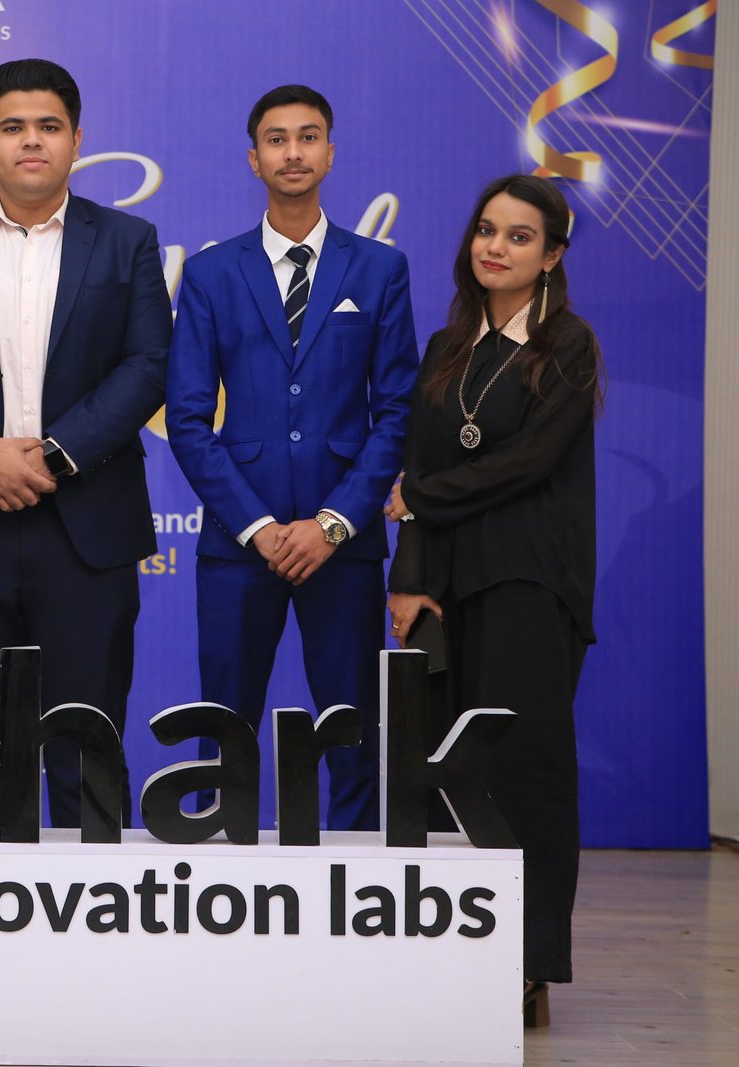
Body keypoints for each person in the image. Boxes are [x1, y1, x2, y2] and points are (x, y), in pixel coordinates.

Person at [0, 58, 173, 827]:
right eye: (13, 127)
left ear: (77, 140)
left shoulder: (127, 240)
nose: (32, 141)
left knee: (85, 747)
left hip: (85, 524)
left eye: (49, 126)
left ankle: (98, 905)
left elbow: (149, 362)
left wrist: (53, 453)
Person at [165, 84, 417, 831]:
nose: (293, 152)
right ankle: (218, 865)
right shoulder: (212, 273)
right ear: (254, 159)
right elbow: (187, 419)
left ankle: (355, 874)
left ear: (330, 153)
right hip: (241, 542)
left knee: (353, 725)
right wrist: (259, 527)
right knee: (225, 724)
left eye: (308, 137)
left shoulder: (379, 268)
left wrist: (334, 522)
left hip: (343, 542)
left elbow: (396, 410)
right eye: (276, 139)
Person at [385, 174, 601, 1025]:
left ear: (551, 256)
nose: (495, 247)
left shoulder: (568, 343)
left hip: (529, 583)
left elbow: (528, 462)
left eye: (518, 236)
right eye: (486, 230)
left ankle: (528, 963)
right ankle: (453, 956)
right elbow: (417, 462)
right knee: (446, 771)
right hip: (447, 588)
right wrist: (410, 577)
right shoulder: (448, 347)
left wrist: (421, 498)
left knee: (525, 772)